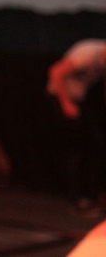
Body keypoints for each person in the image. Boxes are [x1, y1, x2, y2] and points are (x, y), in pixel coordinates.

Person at [47, 38, 106, 216]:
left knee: (93, 145)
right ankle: (78, 199)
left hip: (78, 99)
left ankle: (90, 195)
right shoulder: (90, 55)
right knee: (76, 149)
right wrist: (65, 103)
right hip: (61, 97)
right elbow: (56, 71)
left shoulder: (102, 58)